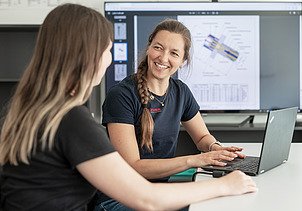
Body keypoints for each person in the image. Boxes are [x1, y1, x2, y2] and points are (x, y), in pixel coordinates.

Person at [0, 4, 257, 211]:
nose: (109, 59)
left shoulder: (27, 109)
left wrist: (213, 151)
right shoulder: (71, 120)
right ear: (88, 55)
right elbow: (146, 199)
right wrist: (226, 185)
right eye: (108, 49)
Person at [96, 19, 251, 210]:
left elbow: (202, 137)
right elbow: (133, 166)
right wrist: (194, 160)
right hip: (119, 198)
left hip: (158, 193)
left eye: (174, 53)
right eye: (158, 48)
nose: (163, 58)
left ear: (183, 60)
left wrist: (215, 149)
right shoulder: (121, 95)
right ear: (149, 47)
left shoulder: (181, 92)